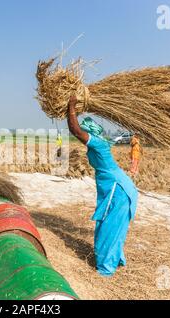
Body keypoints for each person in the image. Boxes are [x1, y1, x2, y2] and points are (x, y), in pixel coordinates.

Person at [66, 95, 138, 276]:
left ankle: (106, 269)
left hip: (119, 190)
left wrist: (72, 106)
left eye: (85, 133)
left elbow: (74, 130)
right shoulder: (98, 145)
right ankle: (114, 258)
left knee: (110, 227)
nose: (82, 137)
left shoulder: (98, 143)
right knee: (109, 226)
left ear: (90, 134)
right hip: (114, 187)